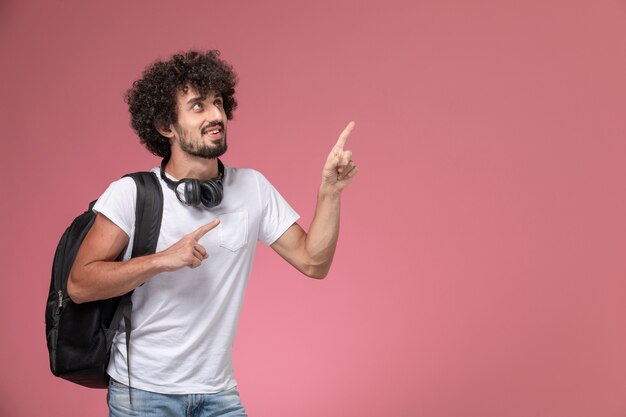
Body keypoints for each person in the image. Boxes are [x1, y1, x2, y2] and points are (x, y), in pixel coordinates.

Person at [67, 50, 357, 417]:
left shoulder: (252, 188)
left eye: (218, 102)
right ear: (165, 126)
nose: (216, 115)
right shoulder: (132, 195)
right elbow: (79, 284)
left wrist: (329, 191)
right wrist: (161, 261)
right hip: (143, 394)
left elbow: (314, 262)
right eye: (198, 106)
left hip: (218, 393)